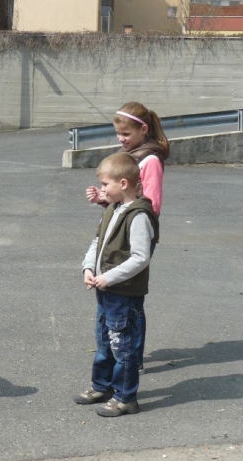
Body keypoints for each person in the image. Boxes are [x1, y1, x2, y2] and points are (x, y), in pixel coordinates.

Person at [86, 102, 169, 373]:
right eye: (118, 134)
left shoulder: (150, 159)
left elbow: (151, 204)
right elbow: (125, 196)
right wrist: (104, 198)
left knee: (130, 298)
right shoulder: (132, 154)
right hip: (123, 225)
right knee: (117, 297)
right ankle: (120, 350)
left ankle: (134, 356)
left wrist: (128, 211)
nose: (121, 140)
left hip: (137, 231)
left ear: (143, 130)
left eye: (126, 134)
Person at [74, 152, 159, 417]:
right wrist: (89, 267)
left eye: (105, 185)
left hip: (123, 294)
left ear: (123, 183)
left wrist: (108, 277)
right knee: (104, 342)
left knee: (123, 347)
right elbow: (97, 243)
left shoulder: (139, 216)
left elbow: (140, 257)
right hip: (105, 292)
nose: (101, 190)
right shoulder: (112, 208)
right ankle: (103, 386)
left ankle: (125, 397)